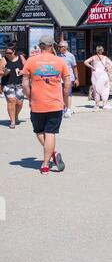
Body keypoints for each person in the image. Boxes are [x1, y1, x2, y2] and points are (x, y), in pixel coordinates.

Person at [22, 36, 71, 175]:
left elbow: (25, 84)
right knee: (50, 132)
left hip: (37, 103)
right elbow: (67, 85)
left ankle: (51, 156)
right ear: (51, 46)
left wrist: (30, 98)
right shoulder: (60, 61)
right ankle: (46, 164)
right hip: (55, 103)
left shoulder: (31, 61)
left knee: (39, 131)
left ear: (40, 46)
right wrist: (65, 101)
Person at [0, 45, 26, 129]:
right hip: (8, 84)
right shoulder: (4, 60)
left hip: (19, 84)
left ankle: (16, 116)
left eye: (9, 53)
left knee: (19, 102)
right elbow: (0, 71)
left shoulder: (21, 57)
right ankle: (12, 121)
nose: (7, 54)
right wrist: (4, 72)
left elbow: (27, 67)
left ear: (14, 52)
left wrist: (22, 71)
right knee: (11, 101)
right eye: (6, 53)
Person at [58, 41, 79, 118]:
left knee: (68, 94)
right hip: (59, 79)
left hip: (69, 78)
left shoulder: (71, 56)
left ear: (65, 47)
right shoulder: (58, 56)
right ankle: (63, 108)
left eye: (60, 47)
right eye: (59, 47)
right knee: (61, 94)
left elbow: (75, 67)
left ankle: (68, 109)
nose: (59, 48)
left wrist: (77, 78)